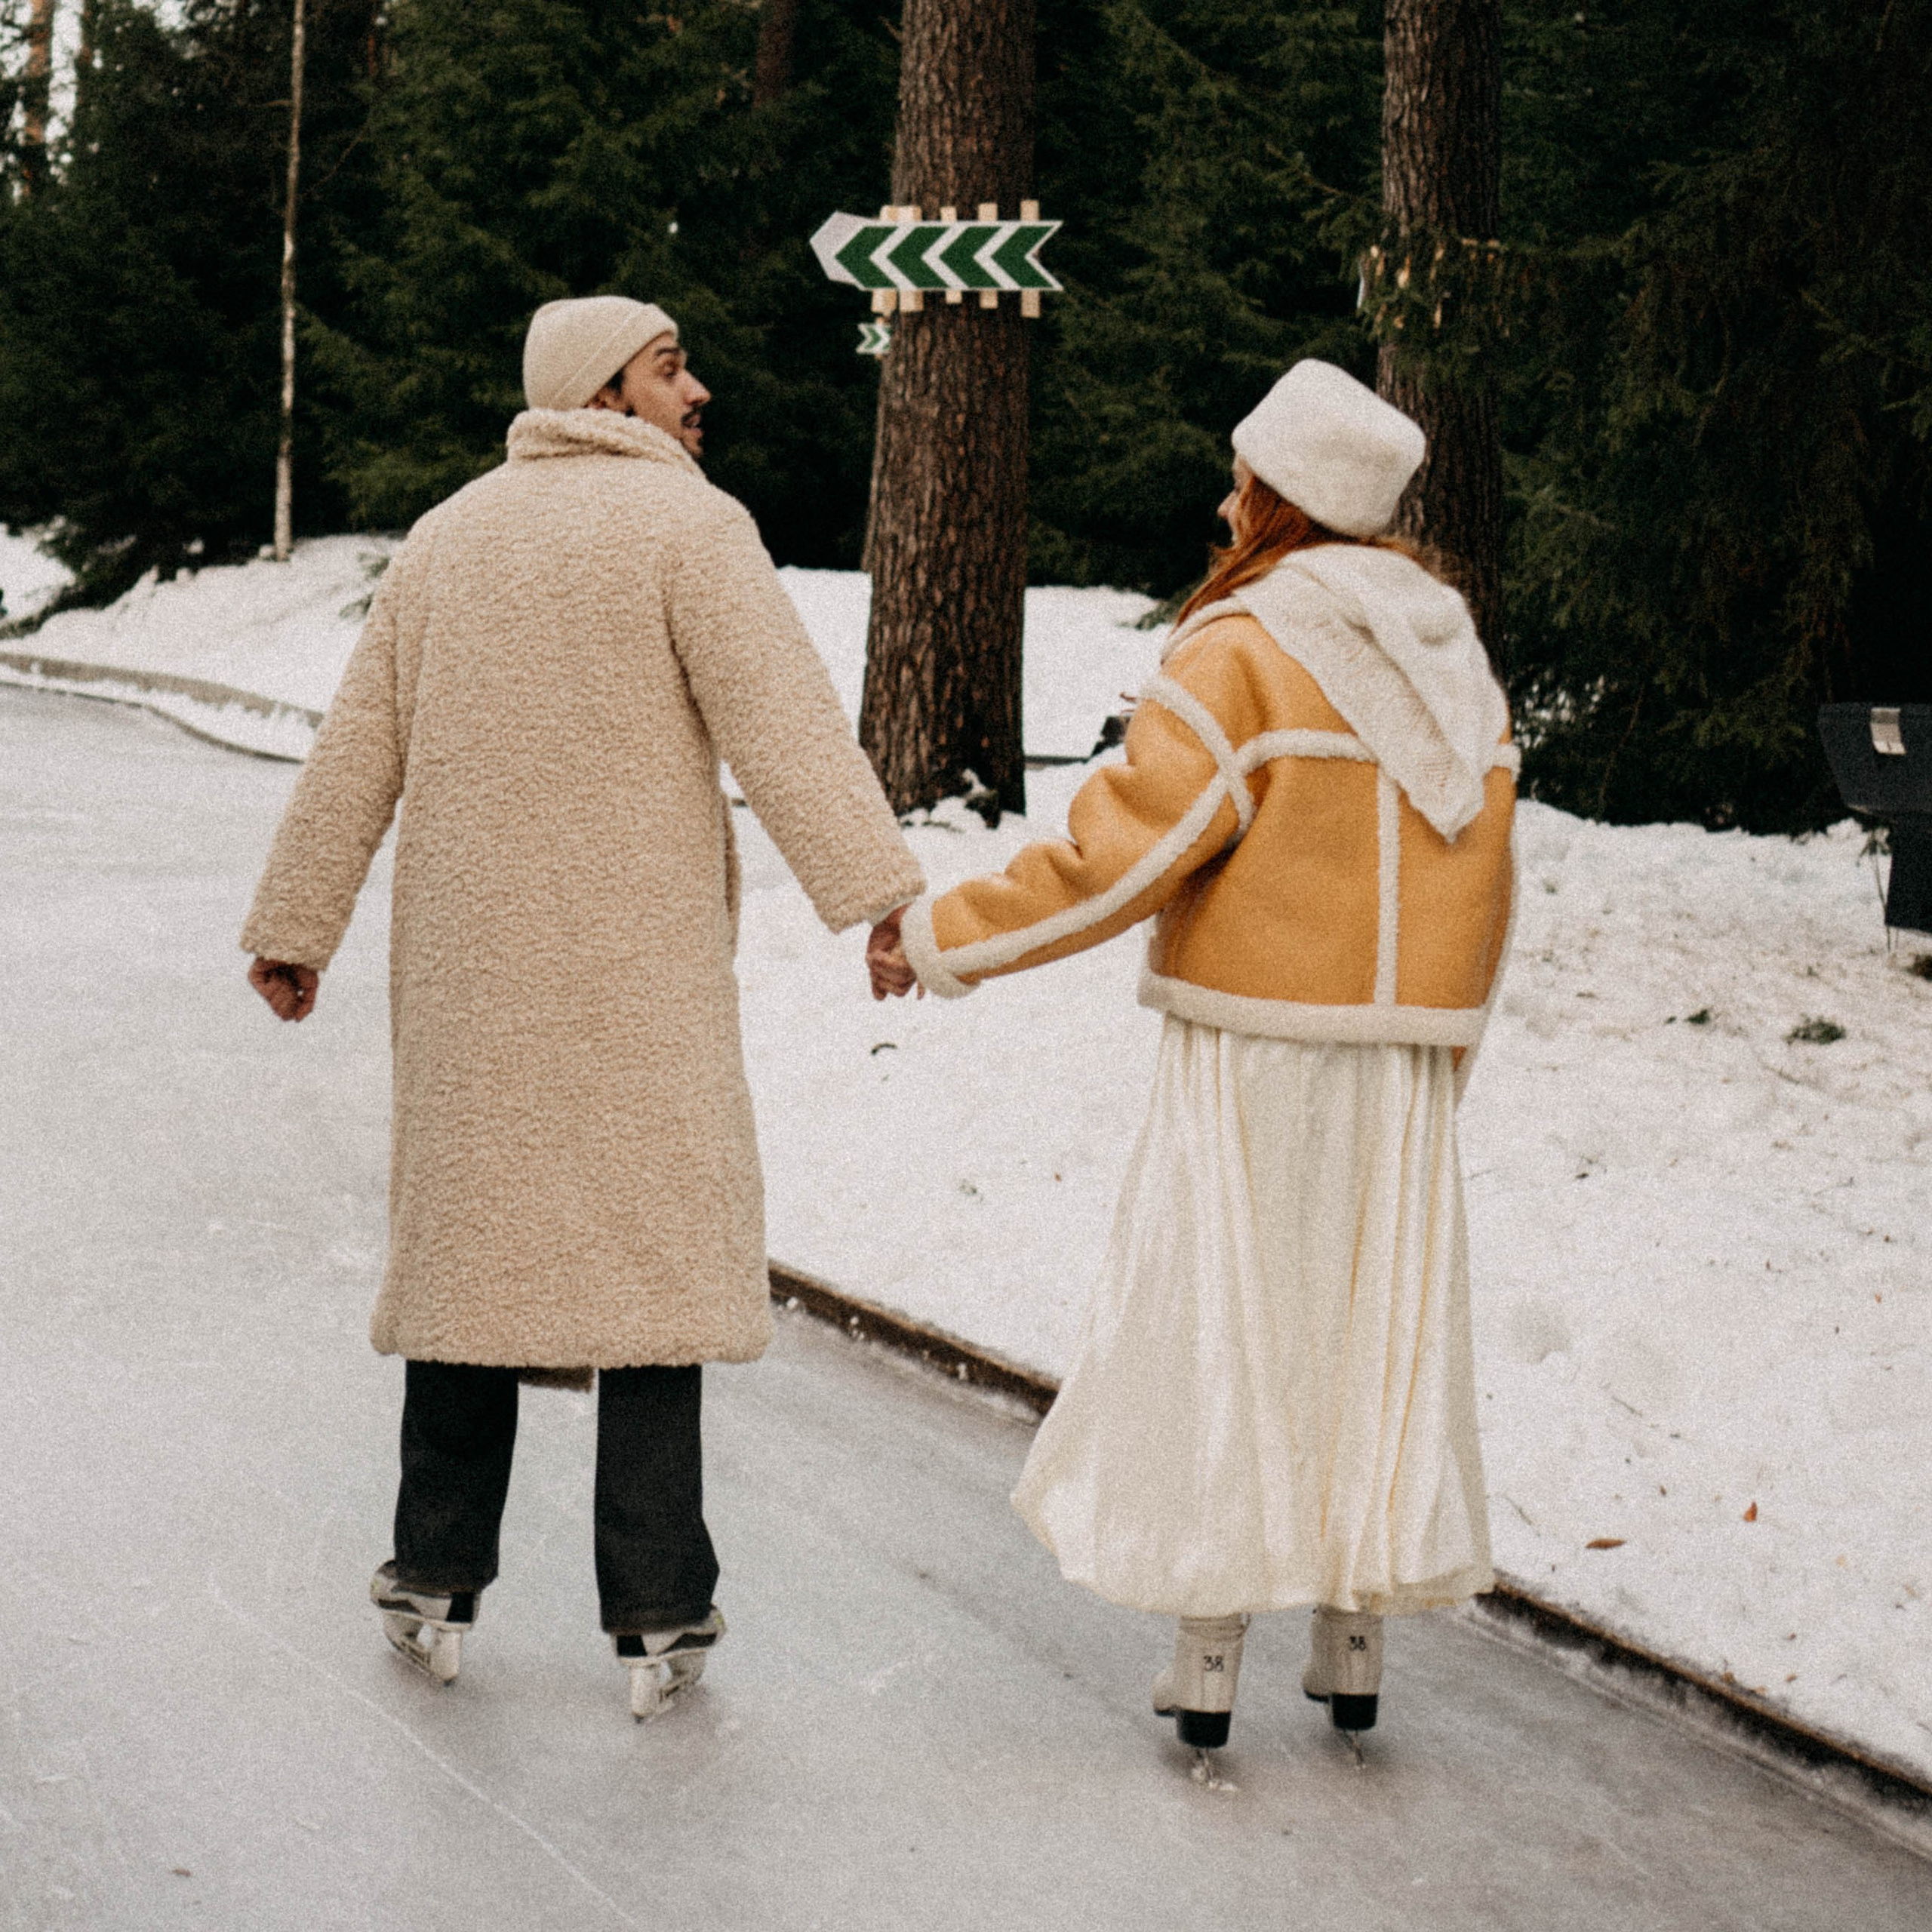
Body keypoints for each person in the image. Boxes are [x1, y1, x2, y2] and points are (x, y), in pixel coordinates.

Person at [243, 296, 922, 1717]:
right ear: (601, 393)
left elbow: (357, 745)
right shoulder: (692, 530)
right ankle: (661, 1607)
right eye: (671, 368)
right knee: (652, 1271)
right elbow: (787, 726)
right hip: (638, 976)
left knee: (472, 1262)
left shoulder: (448, 537)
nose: (699, 390)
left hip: (475, 980)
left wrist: (298, 924)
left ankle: (433, 1576)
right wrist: (876, 896)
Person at [867, 358, 1515, 1752]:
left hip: (1255, 1047)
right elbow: (1491, 876)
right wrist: (1445, 1042)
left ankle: (1208, 1655)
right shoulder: (1451, 651)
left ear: (1282, 495)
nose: (1227, 504)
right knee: (1373, 1337)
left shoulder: (1245, 646)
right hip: (1402, 1062)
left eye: (1243, 480)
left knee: (1231, 1325)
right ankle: (1354, 1637)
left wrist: (941, 937)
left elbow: (1120, 857)